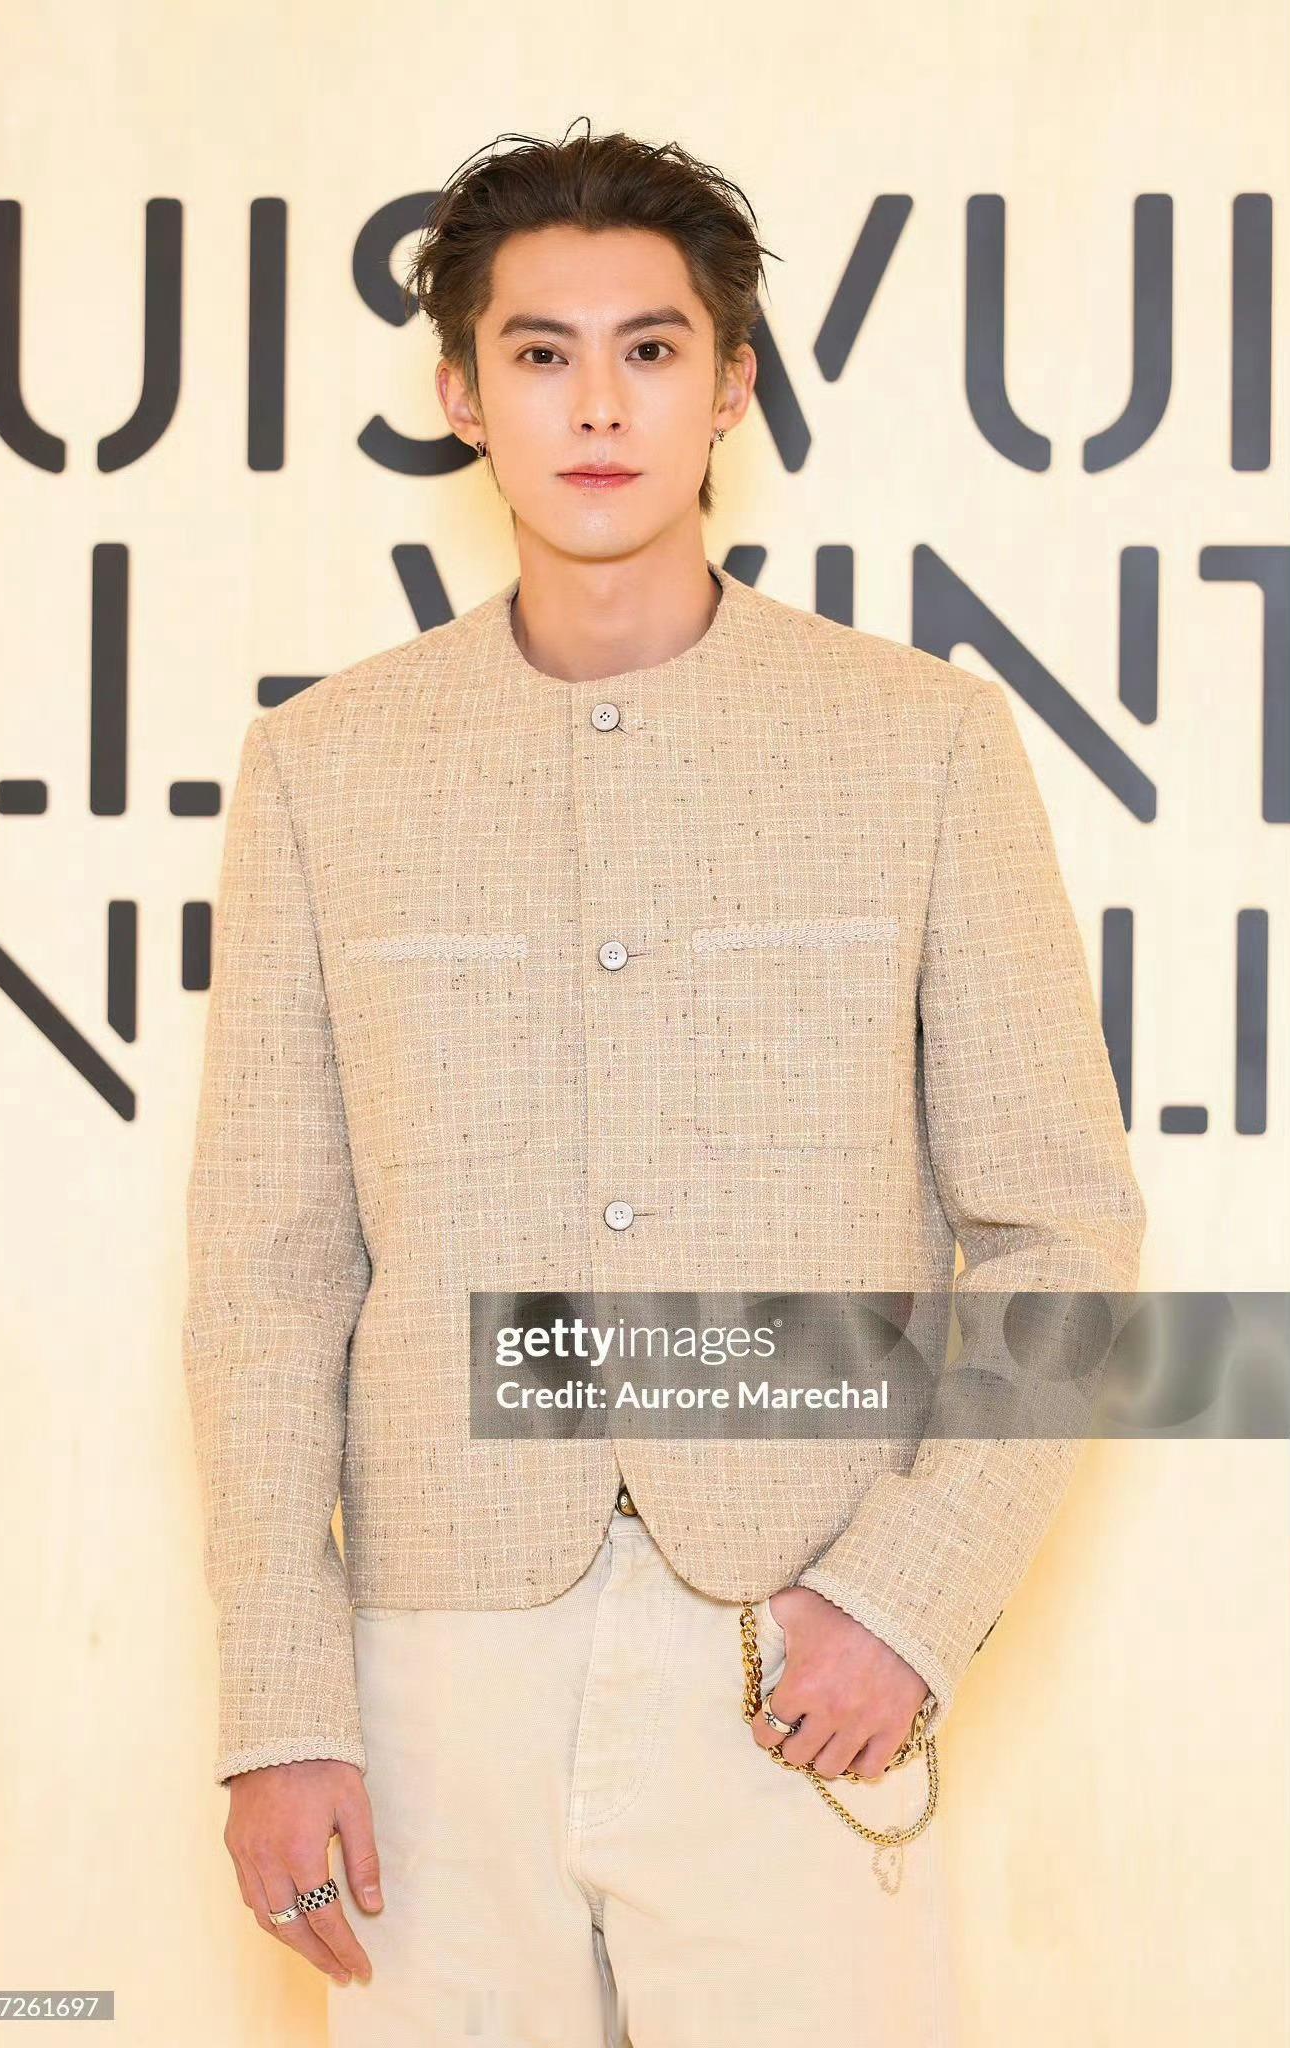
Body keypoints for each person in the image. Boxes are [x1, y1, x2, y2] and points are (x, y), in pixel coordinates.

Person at [181, 119, 1146, 2046]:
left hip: (797, 1648)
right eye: (540, 353)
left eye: (650, 348)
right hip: (429, 1674)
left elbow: (1067, 1228)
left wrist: (906, 1595)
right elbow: (269, 1278)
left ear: (730, 387)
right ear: (462, 396)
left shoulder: (922, 742)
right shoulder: (323, 767)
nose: (598, 405)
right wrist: (282, 1709)